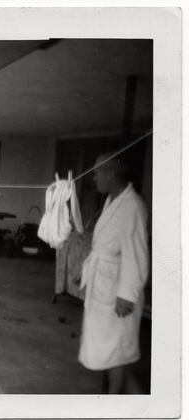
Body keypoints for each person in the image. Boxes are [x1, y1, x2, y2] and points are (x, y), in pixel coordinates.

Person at [78, 153, 149, 393]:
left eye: (98, 172)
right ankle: (137, 406)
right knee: (114, 356)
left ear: (112, 173)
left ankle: (113, 406)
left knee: (115, 354)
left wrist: (127, 295)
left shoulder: (132, 206)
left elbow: (137, 255)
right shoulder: (112, 201)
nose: (94, 177)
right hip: (105, 287)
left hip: (119, 293)